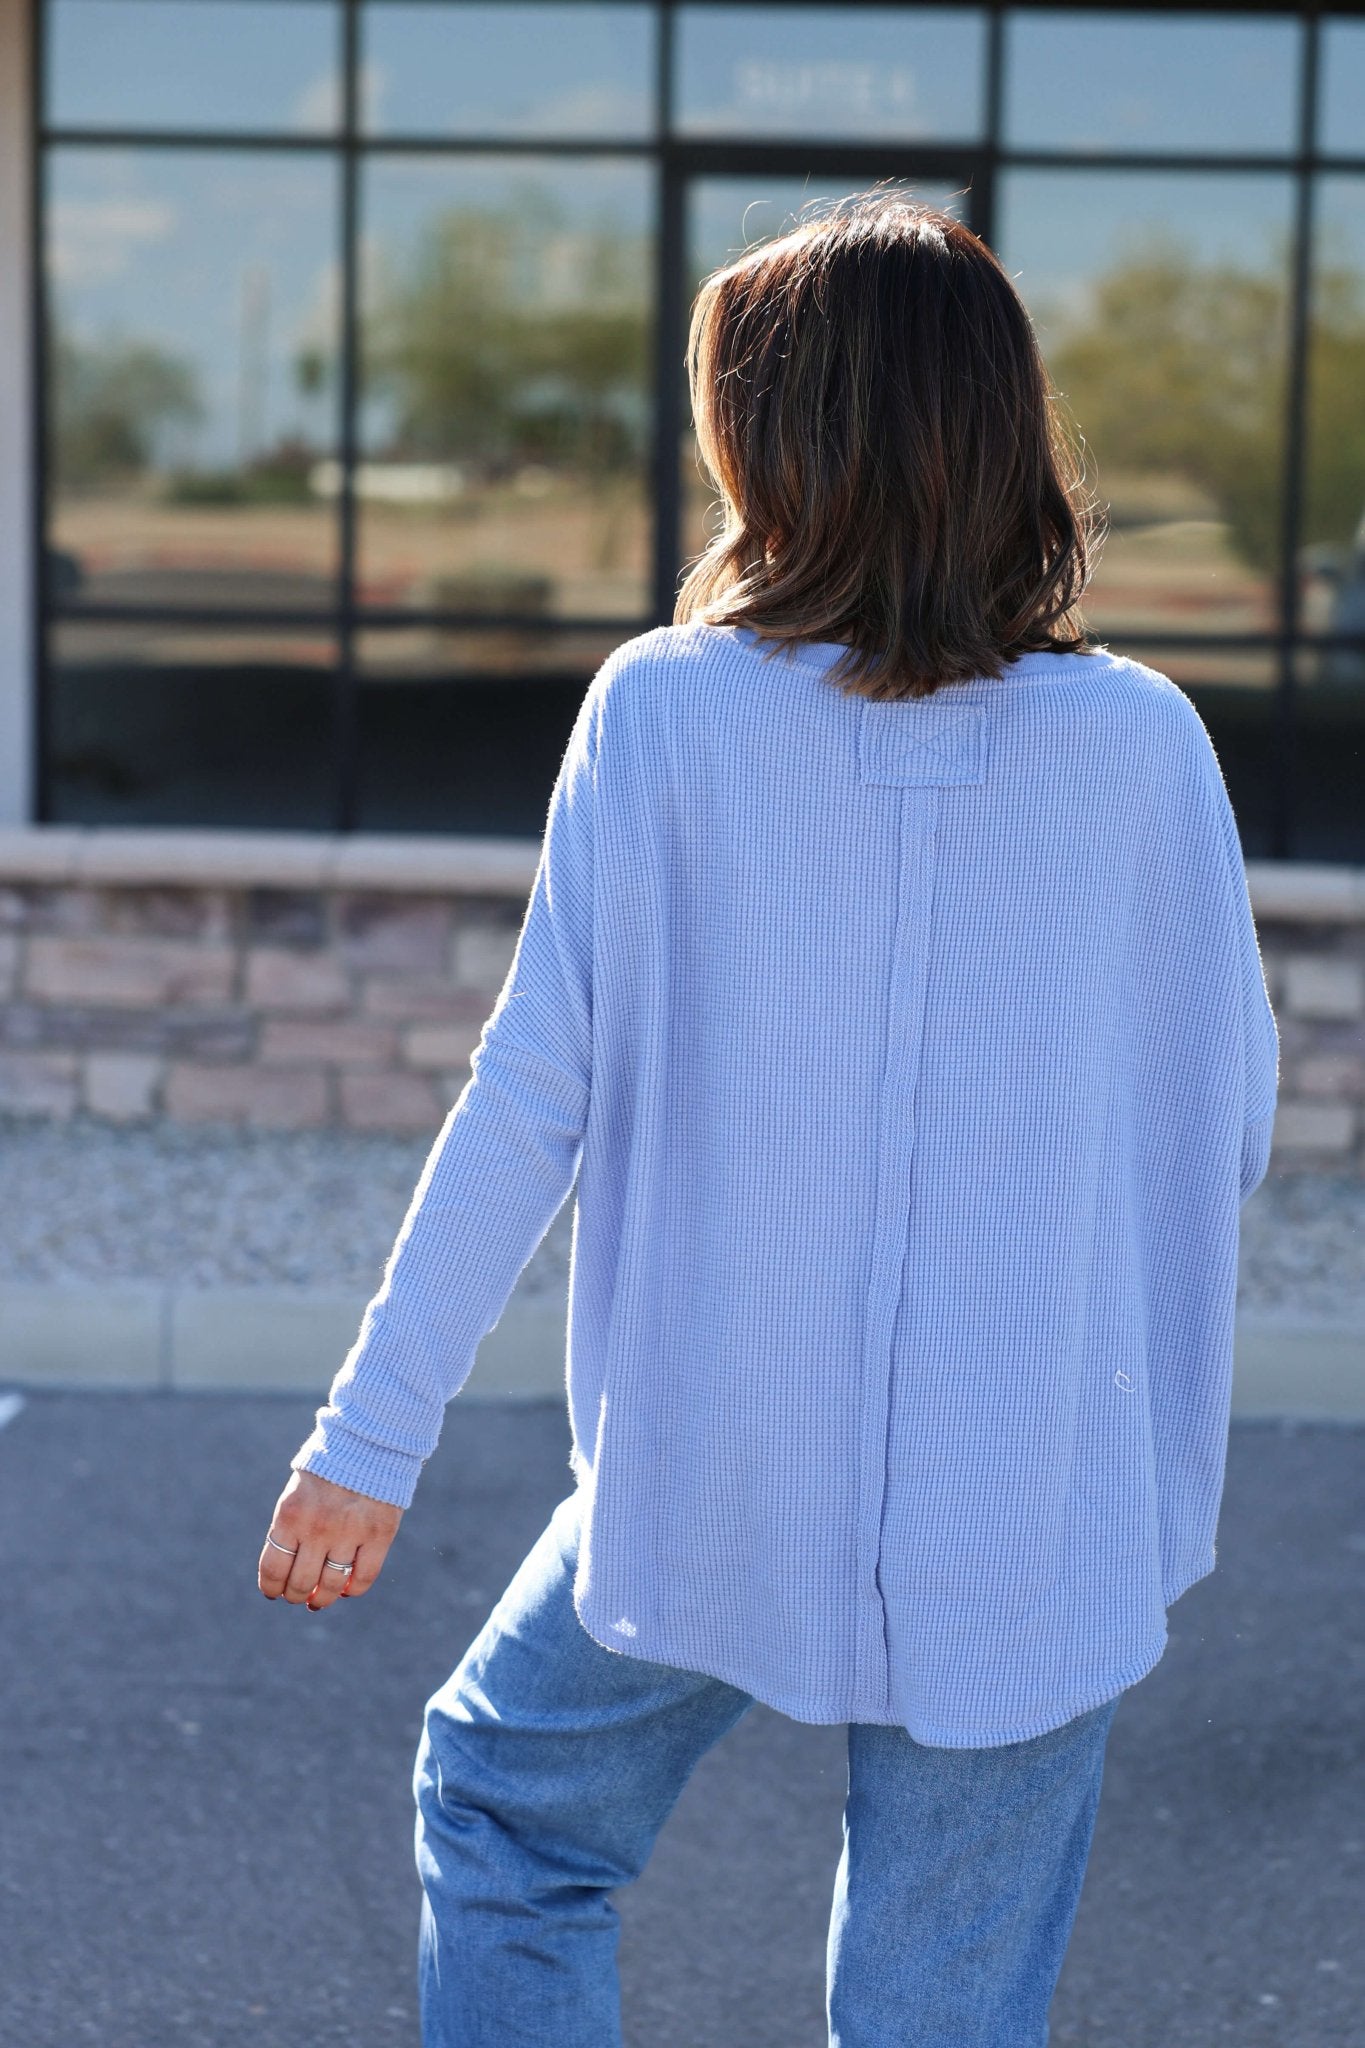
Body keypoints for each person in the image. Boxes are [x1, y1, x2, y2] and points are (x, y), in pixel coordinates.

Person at [256, 189, 1280, 2047]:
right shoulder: (1144, 747)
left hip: (711, 1457)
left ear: (778, 445)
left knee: (503, 1812)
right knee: (937, 2007)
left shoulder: (662, 715)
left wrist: (367, 1442)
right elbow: (1223, 1123)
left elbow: (527, 1097)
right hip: (1032, 1491)